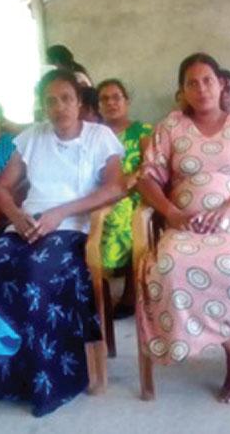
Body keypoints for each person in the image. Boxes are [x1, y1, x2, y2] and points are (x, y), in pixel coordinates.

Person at [0, 69, 125, 417]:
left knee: (36, 273)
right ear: (42, 106)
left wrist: (61, 212)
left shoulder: (99, 137)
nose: (59, 107)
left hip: (71, 228)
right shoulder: (32, 137)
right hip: (26, 226)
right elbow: (2, 188)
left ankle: (52, 381)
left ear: (79, 102)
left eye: (66, 99)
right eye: (51, 101)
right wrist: (17, 217)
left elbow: (114, 188)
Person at [136, 53, 230, 403]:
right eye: (191, 83)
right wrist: (170, 213)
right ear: (182, 91)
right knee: (168, 264)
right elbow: (146, 178)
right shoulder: (170, 127)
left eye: (207, 81)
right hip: (184, 223)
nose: (200, 89)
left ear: (221, 85)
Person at [96, 78, 153, 317]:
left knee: (122, 214)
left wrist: (130, 179)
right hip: (99, 193)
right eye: (104, 99)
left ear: (127, 101)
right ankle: (99, 292)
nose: (111, 103)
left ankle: (130, 293)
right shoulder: (94, 133)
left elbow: (151, 164)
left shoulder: (142, 131)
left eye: (116, 97)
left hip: (134, 193)